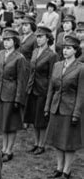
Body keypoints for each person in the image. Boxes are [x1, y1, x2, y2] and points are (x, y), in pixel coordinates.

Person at [45, 35, 84, 179]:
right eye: (64, 48)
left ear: (75, 50)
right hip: (56, 107)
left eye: (68, 48)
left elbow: (81, 93)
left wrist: (77, 113)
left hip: (70, 109)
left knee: (68, 142)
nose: (65, 51)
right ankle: (59, 168)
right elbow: (51, 89)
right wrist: (47, 106)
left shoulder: (81, 68)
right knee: (57, 140)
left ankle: (67, 170)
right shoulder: (57, 65)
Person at [0, 28, 28, 162]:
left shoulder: (20, 58)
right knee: (3, 123)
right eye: (4, 40)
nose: (6, 43)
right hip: (0, 93)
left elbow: (21, 80)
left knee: (11, 124)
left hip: (11, 94)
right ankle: (3, 148)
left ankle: (9, 150)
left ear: (15, 42)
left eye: (9, 40)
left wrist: (18, 99)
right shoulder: (0, 54)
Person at [23, 26, 58, 155]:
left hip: (43, 90)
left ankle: (42, 145)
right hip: (32, 88)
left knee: (41, 120)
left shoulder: (52, 55)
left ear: (47, 38)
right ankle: (36, 143)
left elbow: (52, 77)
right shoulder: (35, 51)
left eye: (41, 37)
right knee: (33, 118)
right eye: (37, 37)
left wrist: (50, 93)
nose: (38, 39)